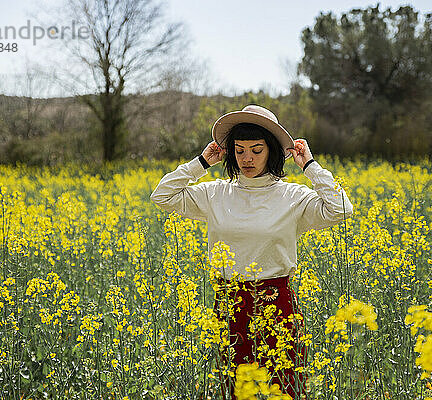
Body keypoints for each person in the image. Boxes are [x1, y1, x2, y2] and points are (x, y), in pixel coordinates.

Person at [150, 105, 353, 399]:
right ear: (229, 152)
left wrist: (309, 166)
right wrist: (200, 163)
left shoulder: (292, 196)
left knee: (282, 388)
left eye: (256, 150)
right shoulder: (215, 193)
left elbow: (341, 209)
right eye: (240, 150)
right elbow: (162, 195)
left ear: (271, 151)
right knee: (236, 389)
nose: (247, 159)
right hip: (230, 304)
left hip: (277, 303)